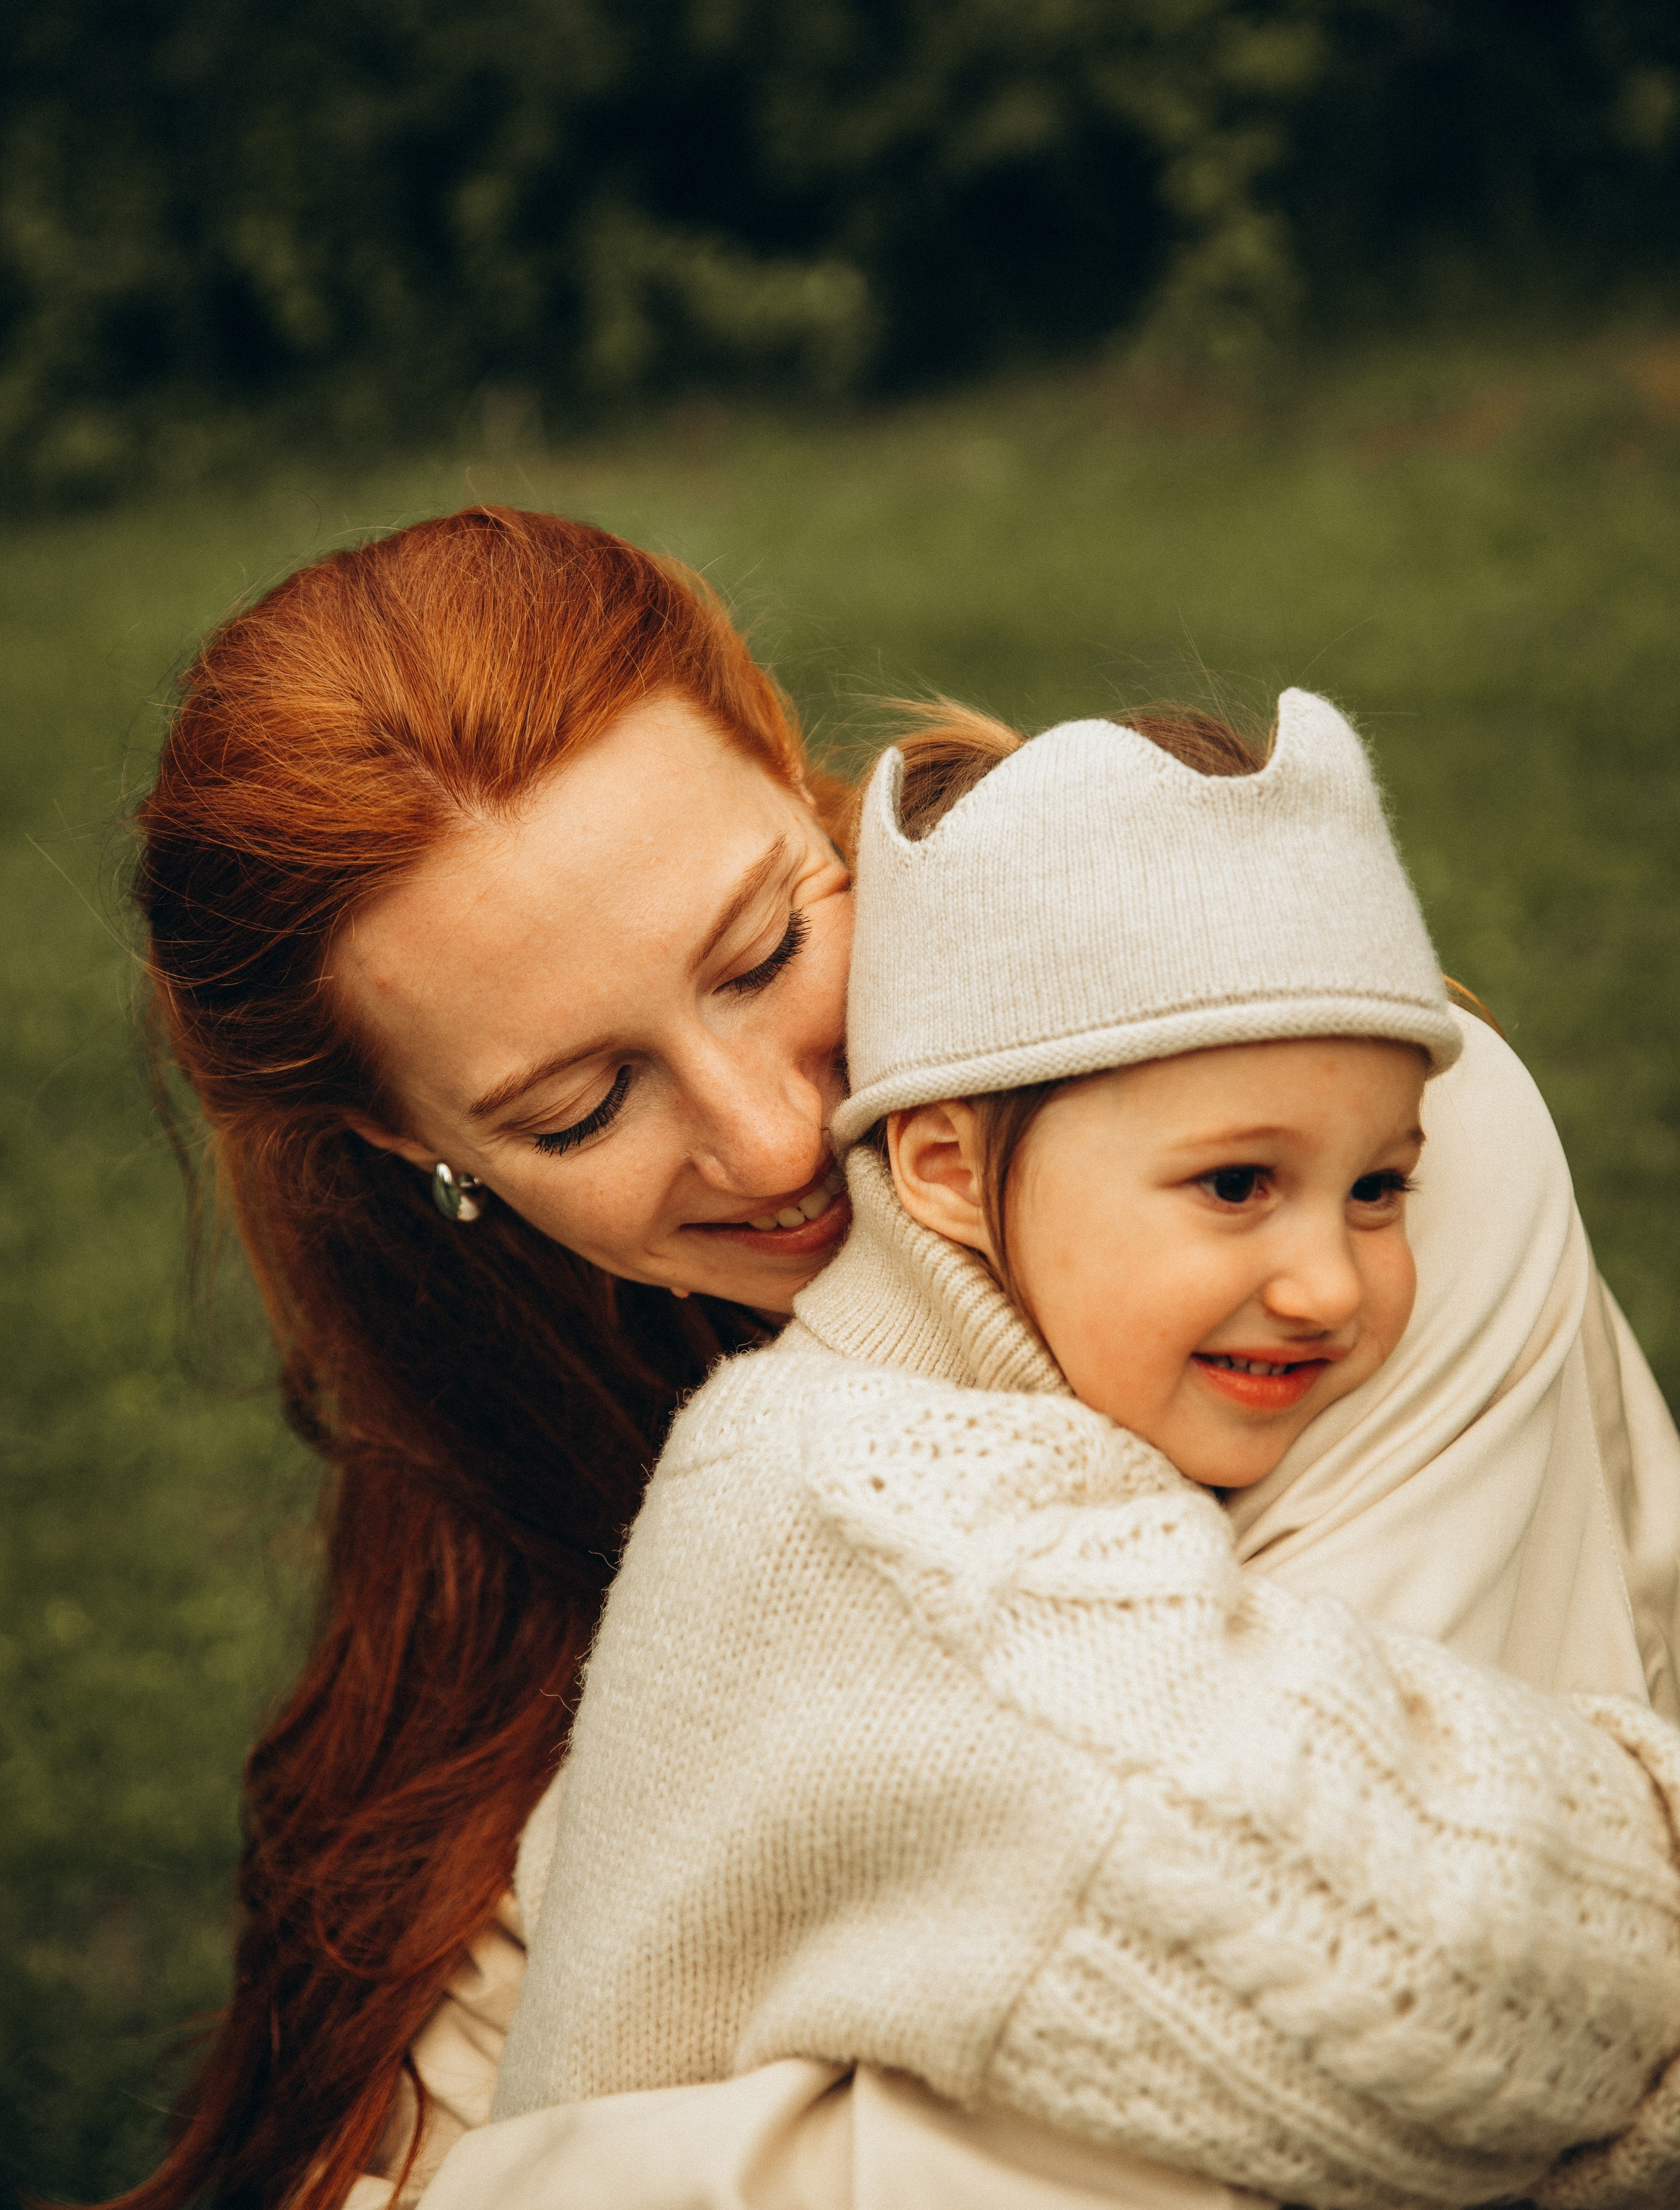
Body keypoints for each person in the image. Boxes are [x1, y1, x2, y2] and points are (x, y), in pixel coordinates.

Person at [108, 509, 1680, 2210]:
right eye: (579, 1107)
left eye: (768, 950)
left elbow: (1401, 2060)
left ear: (803, 782)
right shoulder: (535, 1383)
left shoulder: (1352, 1166)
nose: (776, 1137)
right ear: (423, 1148)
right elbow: (438, 2079)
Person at [482, 694, 1680, 2209]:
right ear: (943, 1172)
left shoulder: (886, 1428)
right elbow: (1427, 1969)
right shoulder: (892, 1511)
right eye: (1237, 1182)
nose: (1331, 1278)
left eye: (1377, 1186)